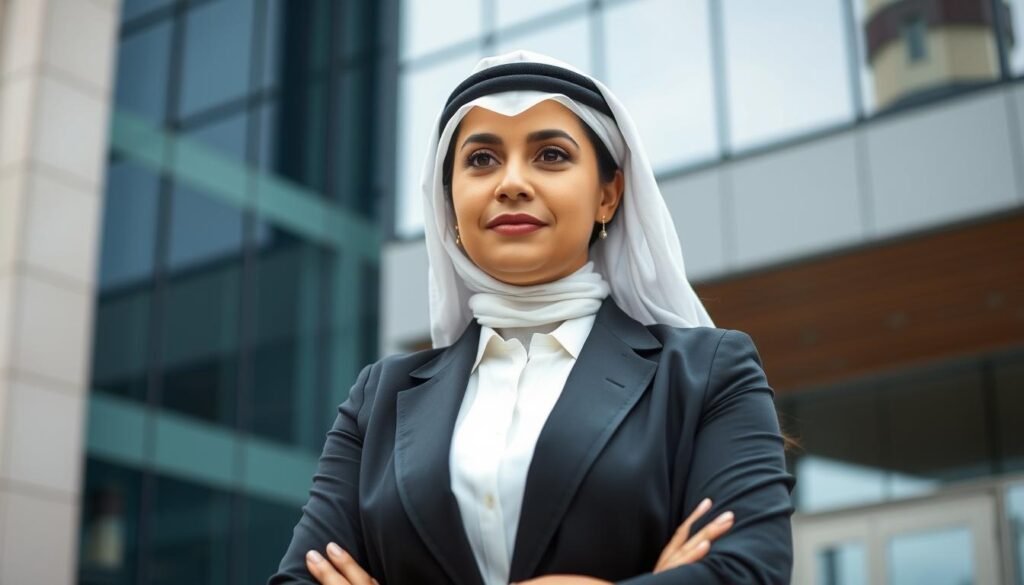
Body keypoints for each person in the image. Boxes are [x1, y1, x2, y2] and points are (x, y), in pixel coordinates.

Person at [268, 50, 796, 585]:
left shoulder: (706, 374)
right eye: (480, 160)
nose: (512, 183)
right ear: (449, 203)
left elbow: (747, 573)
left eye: (550, 155)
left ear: (608, 195)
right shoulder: (377, 398)